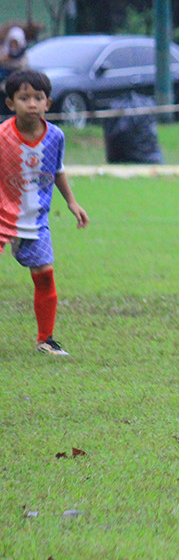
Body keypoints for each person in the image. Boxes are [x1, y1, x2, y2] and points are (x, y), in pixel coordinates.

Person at [0, 69, 89, 356]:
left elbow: (57, 171)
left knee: (45, 274)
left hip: (36, 218)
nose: (32, 104)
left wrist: (72, 202)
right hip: (2, 215)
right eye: (24, 97)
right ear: (10, 103)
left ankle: (46, 340)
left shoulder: (56, 137)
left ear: (48, 103)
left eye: (38, 98)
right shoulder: (2, 136)